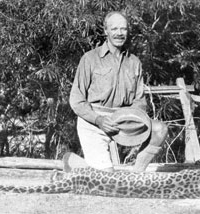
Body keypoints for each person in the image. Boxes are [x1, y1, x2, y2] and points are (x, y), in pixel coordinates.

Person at [69, 11, 168, 172]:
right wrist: (98, 120)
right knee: (108, 178)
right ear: (105, 31)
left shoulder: (134, 62)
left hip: (122, 120)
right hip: (94, 123)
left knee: (160, 129)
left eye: (123, 29)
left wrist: (130, 118)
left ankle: (137, 173)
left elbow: (139, 100)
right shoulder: (89, 59)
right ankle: (76, 164)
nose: (119, 33)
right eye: (114, 29)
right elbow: (76, 100)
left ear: (128, 32)